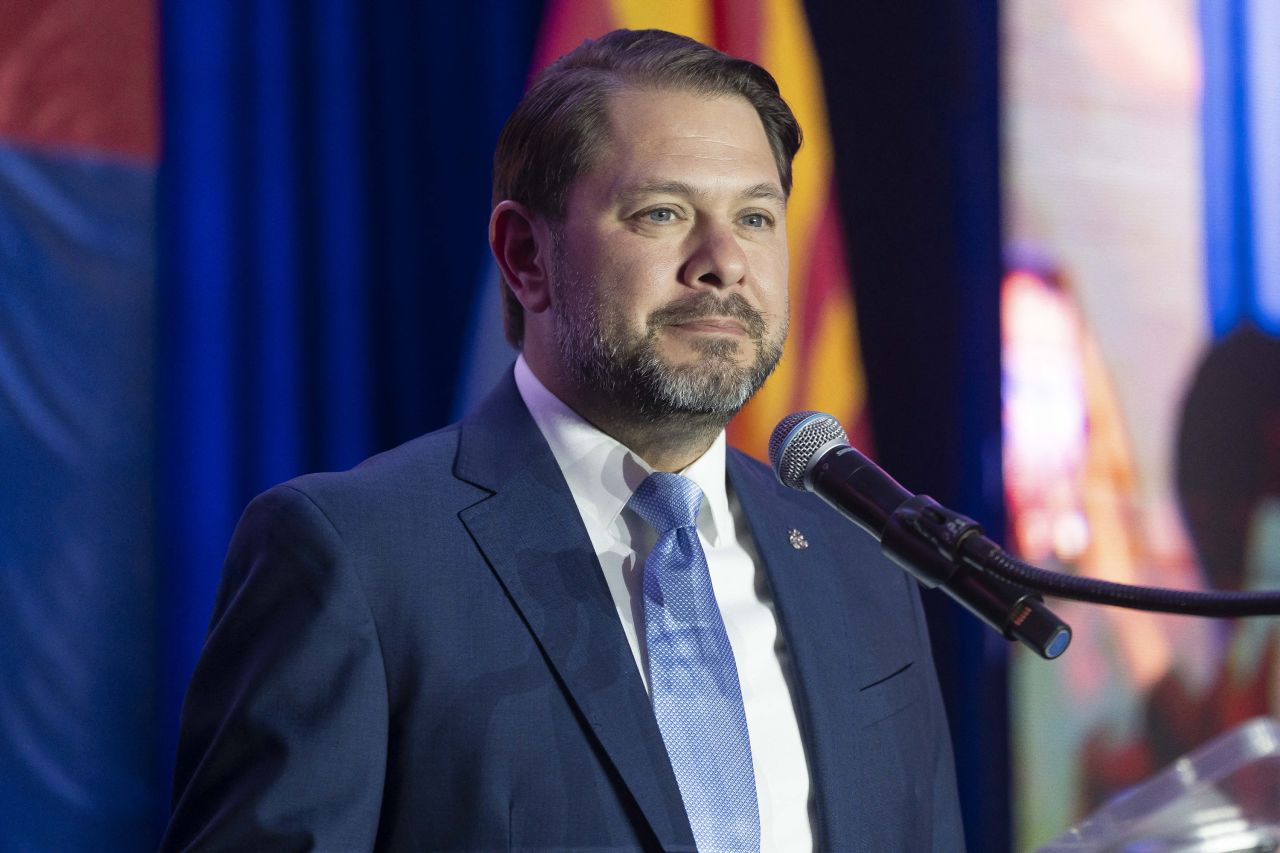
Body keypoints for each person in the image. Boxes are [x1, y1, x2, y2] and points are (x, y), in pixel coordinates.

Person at [162, 29, 963, 852]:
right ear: (524, 255)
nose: (724, 262)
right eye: (663, 213)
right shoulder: (358, 559)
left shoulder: (861, 562)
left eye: (755, 216)